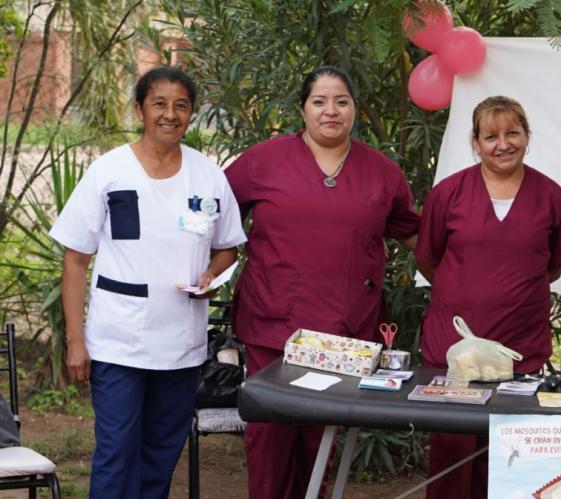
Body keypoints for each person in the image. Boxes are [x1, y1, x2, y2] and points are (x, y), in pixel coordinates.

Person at [225, 65, 420, 499]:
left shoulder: (382, 172)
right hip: (273, 323)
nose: (330, 111)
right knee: (270, 438)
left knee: (321, 441)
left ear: (354, 110)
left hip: (343, 332)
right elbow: (217, 221)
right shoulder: (262, 161)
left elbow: (413, 234)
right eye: (319, 101)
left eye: (341, 101)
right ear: (302, 110)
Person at [52, 66, 246, 499]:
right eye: (159, 103)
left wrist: (212, 275)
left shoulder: (208, 176)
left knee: (162, 452)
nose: (170, 114)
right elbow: (76, 260)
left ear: (191, 114)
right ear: (140, 109)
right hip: (118, 341)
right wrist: (74, 341)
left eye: (181, 105)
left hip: (180, 344)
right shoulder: (109, 172)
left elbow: (229, 246)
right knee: (117, 452)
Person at [415, 95, 561, 499]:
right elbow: (428, 260)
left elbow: (552, 266)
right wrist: (467, 293)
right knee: (452, 454)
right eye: (491, 136)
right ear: (475, 142)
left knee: (510, 454)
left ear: (527, 137)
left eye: (512, 133)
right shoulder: (448, 194)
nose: (503, 143)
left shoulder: (551, 196)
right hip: (454, 352)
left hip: (519, 347)